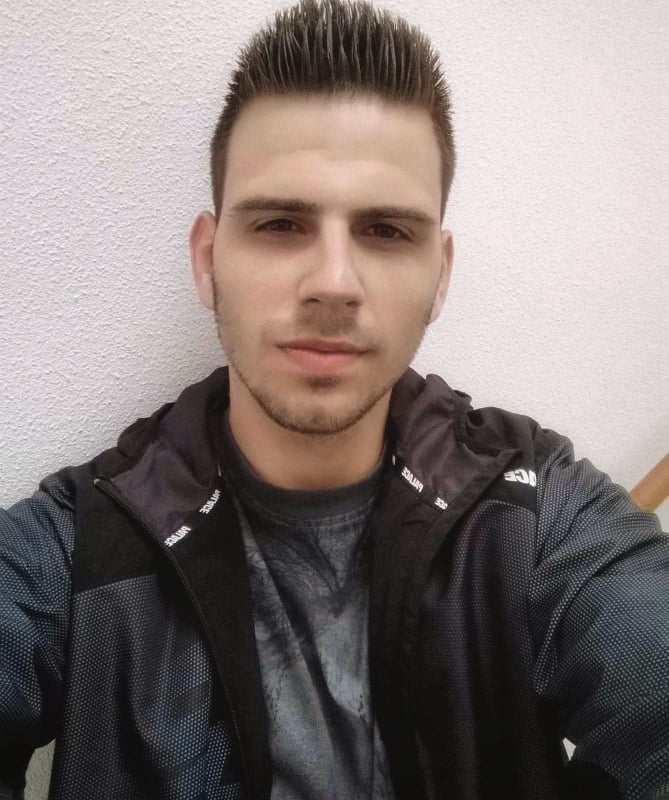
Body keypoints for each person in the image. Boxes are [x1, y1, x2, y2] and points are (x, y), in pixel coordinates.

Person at [1, 0, 667, 797]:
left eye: (386, 231)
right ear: (208, 260)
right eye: (280, 223)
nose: (333, 283)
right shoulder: (76, 546)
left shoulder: (532, 511)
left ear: (439, 275)